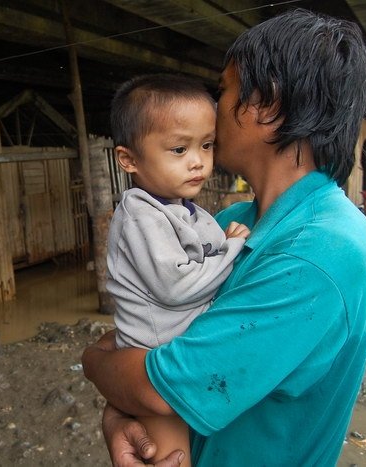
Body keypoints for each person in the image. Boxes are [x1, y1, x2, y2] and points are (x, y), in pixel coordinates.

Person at [82, 8, 366, 466]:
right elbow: (163, 334)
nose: (215, 107)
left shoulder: (322, 252)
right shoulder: (236, 219)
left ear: (267, 103)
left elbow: (160, 385)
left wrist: (94, 363)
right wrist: (119, 412)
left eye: (223, 90)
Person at [106, 74, 250, 464]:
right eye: (178, 149)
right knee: (172, 458)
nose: (198, 160)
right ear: (129, 159)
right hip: (153, 362)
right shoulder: (139, 214)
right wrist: (232, 248)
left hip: (174, 350)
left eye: (206, 145)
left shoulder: (184, 210)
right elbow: (176, 286)